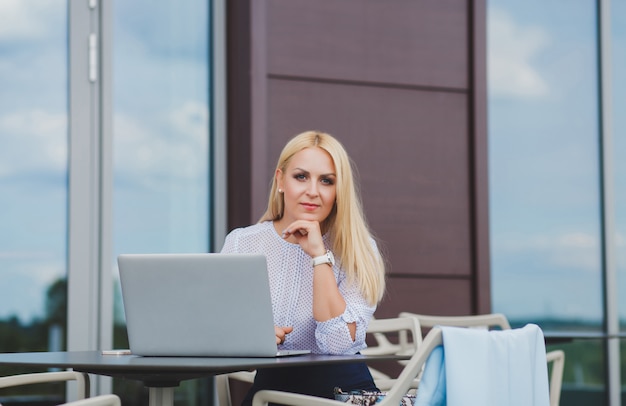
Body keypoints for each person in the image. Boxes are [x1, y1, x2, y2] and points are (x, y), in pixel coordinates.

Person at [220, 130, 386, 405]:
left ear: (338, 190)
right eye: (301, 177)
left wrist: (319, 255)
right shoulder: (243, 243)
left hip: (343, 395)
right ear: (280, 180)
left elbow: (338, 346)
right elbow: (219, 328)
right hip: (270, 393)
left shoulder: (358, 247)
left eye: (327, 181)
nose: (313, 191)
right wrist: (249, 338)